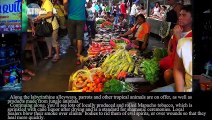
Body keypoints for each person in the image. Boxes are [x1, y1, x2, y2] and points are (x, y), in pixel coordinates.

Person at [151, 5, 193, 92]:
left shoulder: (190, 35)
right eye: (180, 15)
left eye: (184, 15)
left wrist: (178, 37)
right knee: (155, 65)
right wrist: (169, 48)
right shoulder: (178, 29)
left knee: (167, 74)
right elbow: (170, 42)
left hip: (183, 65)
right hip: (173, 59)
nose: (180, 17)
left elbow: (184, 55)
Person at [63, 0, 86, 65]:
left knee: (73, 37)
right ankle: (79, 54)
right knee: (80, 38)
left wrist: (65, 10)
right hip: (81, 18)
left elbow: (65, 2)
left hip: (71, 17)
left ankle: (76, 49)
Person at [21, 0, 36, 81]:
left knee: (22, 50)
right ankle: (19, 74)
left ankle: (23, 69)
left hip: (23, 29)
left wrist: (32, 26)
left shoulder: (24, 2)